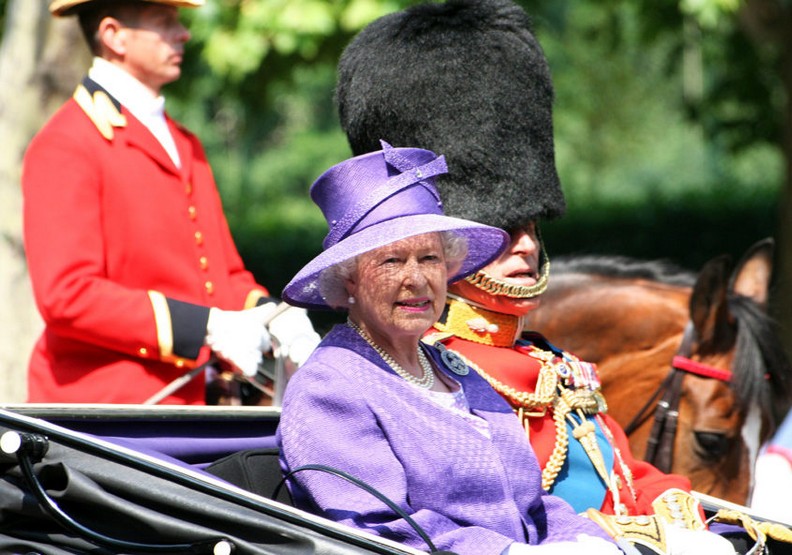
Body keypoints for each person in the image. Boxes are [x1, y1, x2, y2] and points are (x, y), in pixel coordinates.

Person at [334, 1, 736, 554]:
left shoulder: (549, 365)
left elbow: (622, 474)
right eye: (500, 228)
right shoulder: (421, 370)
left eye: (529, 225)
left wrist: (680, 515)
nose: (525, 243)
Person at [277, 143, 624, 555]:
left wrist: (592, 542)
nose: (417, 279)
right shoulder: (328, 387)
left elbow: (531, 506)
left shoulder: (455, 368)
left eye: (430, 258)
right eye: (391, 261)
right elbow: (376, 528)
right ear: (349, 279)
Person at [22, 0, 319, 404]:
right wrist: (206, 327)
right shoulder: (66, 142)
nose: (183, 34)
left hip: (194, 398)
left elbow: (222, 276)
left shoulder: (184, 142)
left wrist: (275, 314)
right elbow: (68, 294)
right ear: (114, 36)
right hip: (108, 407)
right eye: (164, 22)